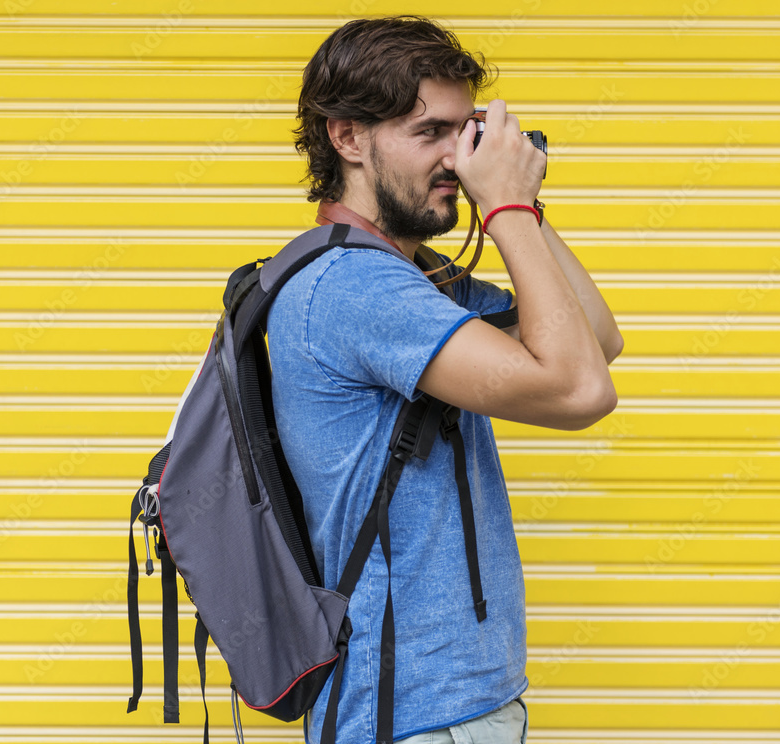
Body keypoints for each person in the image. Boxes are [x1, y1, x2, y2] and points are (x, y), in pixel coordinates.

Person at [267, 15, 623, 744]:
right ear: (348, 138)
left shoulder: (421, 281)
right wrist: (506, 207)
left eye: (468, 135)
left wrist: (520, 200)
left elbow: (595, 341)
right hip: (407, 716)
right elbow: (579, 392)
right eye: (431, 132)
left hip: (462, 702)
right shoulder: (353, 288)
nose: (455, 159)